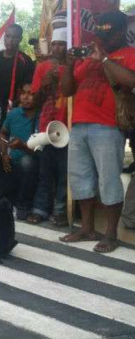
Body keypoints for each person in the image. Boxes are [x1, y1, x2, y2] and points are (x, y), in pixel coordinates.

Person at [61, 11, 135, 253]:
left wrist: (103, 60)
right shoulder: (90, 58)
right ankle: (87, 229)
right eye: (101, 33)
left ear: (122, 31)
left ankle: (111, 234)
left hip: (108, 126)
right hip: (80, 124)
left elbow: (130, 81)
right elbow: (68, 90)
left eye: (109, 33)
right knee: (80, 179)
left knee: (109, 181)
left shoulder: (130, 54)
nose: (103, 38)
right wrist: (70, 65)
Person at [28, 28, 69, 226]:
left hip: (68, 126)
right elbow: (35, 101)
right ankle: (40, 208)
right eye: (54, 44)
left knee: (64, 171)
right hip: (46, 125)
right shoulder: (42, 67)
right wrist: (44, 85)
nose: (57, 48)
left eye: (61, 44)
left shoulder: (75, 65)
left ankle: (60, 210)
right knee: (44, 171)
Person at [0, 83, 39, 219]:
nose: (26, 97)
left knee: (27, 162)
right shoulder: (14, 113)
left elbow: (41, 149)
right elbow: (3, 134)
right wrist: (4, 154)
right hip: (12, 162)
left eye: (31, 94)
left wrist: (22, 146)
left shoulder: (42, 116)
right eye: (23, 93)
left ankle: (24, 205)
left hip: (35, 162)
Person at [0, 24, 35, 124]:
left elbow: (28, 86)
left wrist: (18, 103)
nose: (10, 40)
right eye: (8, 36)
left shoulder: (25, 60)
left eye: (15, 37)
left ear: (20, 39)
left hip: (13, 108)